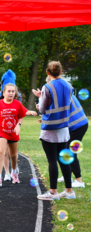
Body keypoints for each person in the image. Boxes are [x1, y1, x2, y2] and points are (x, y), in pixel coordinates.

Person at [32, 61, 75, 200]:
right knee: (64, 160)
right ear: (61, 72)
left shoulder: (47, 87)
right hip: (64, 128)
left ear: (47, 73)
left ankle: (53, 192)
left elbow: (43, 109)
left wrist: (39, 102)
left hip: (50, 129)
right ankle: (69, 191)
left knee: (52, 161)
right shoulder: (69, 85)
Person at [38, 76, 89, 188]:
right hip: (78, 123)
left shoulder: (61, 95)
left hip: (76, 125)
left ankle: (79, 181)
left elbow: (61, 112)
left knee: (68, 152)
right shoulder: (65, 91)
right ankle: (68, 176)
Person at [0, 83, 33, 187]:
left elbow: (21, 116)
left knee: (13, 156)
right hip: (1, 131)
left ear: (15, 93)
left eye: (13, 91)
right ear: (4, 92)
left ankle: (14, 173)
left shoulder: (17, 104)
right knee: (1, 152)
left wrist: (18, 125)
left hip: (13, 132)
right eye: (9, 91)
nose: (11, 93)